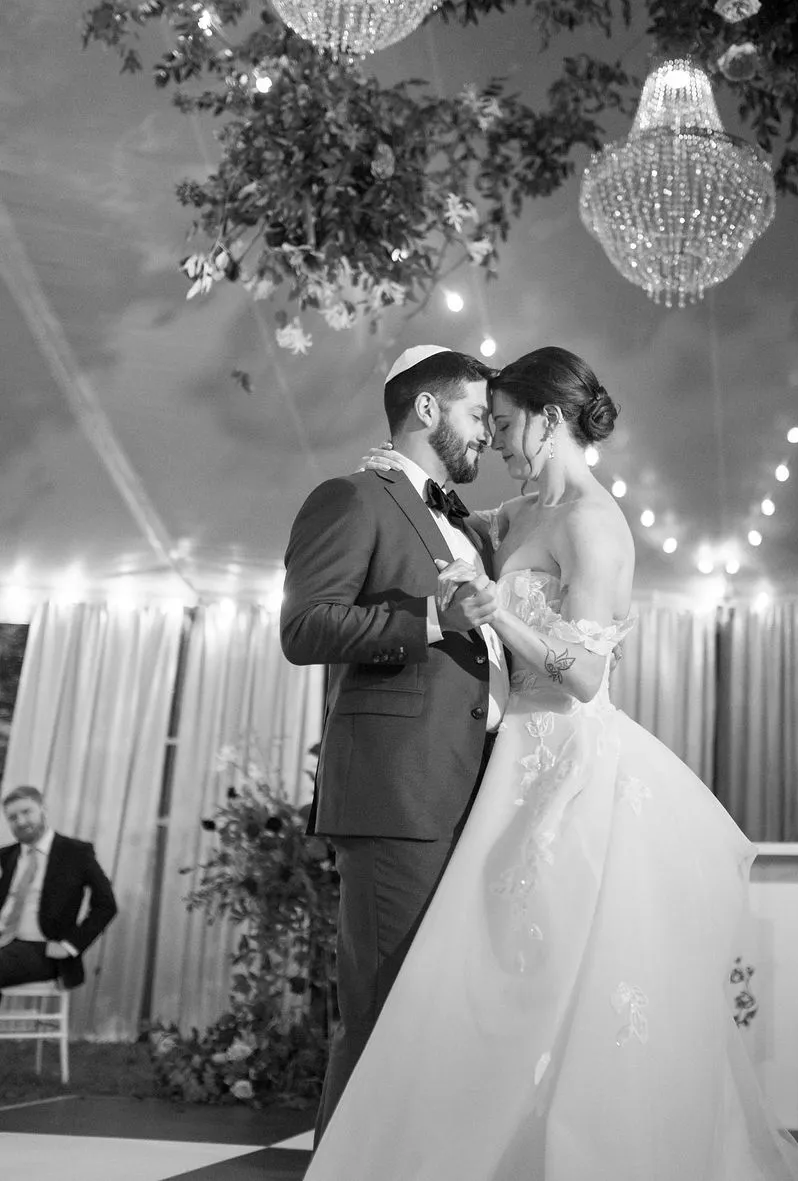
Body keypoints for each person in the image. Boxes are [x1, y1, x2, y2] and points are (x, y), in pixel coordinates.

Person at [304, 345, 798, 1181]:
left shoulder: (594, 523)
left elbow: (585, 675)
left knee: (549, 986)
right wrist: (400, 475)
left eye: (505, 423)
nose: (496, 441)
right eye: (487, 420)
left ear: (548, 420)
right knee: (469, 991)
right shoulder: (515, 514)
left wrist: (495, 615)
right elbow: (440, 528)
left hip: (564, 767)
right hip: (497, 768)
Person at [280, 345, 510, 1145]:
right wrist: (433, 617)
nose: (488, 432)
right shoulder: (350, 498)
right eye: (477, 413)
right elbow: (305, 626)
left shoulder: (464, 522)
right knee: (384, 1012)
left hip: (472, 795)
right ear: (427, 409)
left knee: (441, 1015)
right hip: (397, 794)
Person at [0, 785, 118, 996]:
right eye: (12, 817)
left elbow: (106, 905)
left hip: (44, 949)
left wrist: (71, 945)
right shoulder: (6, 856)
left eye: (26, 812)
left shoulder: (76, 853)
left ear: (43, 809)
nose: (21, 821)